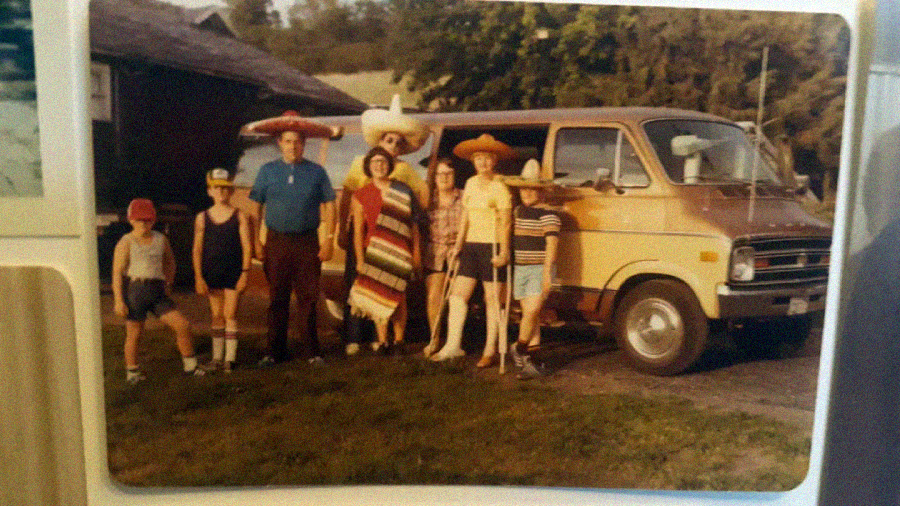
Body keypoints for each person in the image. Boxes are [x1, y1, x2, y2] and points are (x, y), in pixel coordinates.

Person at [336, 94, 430, 356]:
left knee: (392, 292)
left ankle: (388, 339)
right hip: (365, 235)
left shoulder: (405, 171)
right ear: (380, 140)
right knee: (359, 287)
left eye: (399, 143)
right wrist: (343, 228)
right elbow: (347, 197)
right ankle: (356, 336)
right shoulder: (358, 163)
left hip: (395, 239)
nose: (394, 147)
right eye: (390, 140)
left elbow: (422, 196)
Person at [246, 111, 336, 367]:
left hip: (307, 242)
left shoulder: (317, 172)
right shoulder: (267, 171)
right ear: (279, 143)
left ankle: (312, 352)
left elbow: (330, 204)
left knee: (307, 298)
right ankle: (274, 352)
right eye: (287, 141)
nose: (292, 146)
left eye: (297, 141)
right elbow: (255, 208)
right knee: (277, 298)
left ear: (304, 144)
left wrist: (328, 239)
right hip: (276, 241)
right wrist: (256, 241)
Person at [430, 134, 513, 367]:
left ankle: (490, 350)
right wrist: (459, 245)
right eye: (478, 159)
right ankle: (453, 346)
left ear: (495, 161)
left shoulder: (501, 186)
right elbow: (465, 216)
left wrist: (504, 252)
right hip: (471, 247)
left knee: (492, 299)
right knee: (457, 296)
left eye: (487, 158)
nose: (483, 163)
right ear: (473, 162)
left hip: (492, 246)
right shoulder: (470, 183)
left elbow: (506, 222)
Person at [111, 198, 205, 383]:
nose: (143, 224)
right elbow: (117, 272)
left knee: (182, 325)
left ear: (153, 220)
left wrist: (168, 283)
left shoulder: (161, 239)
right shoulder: (126, 241)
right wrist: (119, 300)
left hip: (157, 290)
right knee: (134, 334)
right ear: (131, 220)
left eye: (147, 219)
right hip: (136, 290)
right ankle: (132, 371)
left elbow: (170, 262)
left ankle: (190, 364)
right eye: (139, 220)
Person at [347, 146, 422, 354]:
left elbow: (414, 226)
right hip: (374, 251)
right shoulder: (360, 195)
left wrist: (416, 254)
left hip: (400, 250)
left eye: (383, 162)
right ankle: (382, 341)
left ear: (389, 165)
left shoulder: (403, 190)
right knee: (376, 297)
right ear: (368, 167)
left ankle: (398, 341)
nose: (379, 166)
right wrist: (360, 260)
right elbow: (358, 232)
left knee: (398, 297)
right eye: (375, 162)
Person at [191, 168, 252, 373]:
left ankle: (230, 359)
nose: (221, 192)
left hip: (233, 272)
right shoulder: (202, 217)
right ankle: (217, 357)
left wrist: (245, 272)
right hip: (211, 271)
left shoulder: (239, 215)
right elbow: (197, 249)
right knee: (216, 314)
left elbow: (247, 246)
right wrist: (199, 276)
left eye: (226, 189)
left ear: (232, 191)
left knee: (230, 313)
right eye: (216, 188)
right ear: (209, 191)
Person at [504, 160, 560, 379]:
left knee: (532, 312)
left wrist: (547, 275)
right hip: (521, 268)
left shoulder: (549, 215)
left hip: (539, 269)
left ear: (541, 191)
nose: (527, 192)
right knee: (531, 317)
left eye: (532, 188)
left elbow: (551, 247)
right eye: (523, 188)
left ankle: (518, 348)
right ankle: (532, 362)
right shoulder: (518, 211)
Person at [422, 158, 464, 357]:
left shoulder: (465, 197)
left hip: (459, 253)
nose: (444, 178)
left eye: (449, 174)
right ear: (434, 177)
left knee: (457, 299)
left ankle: (453, 342)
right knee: (434, 297)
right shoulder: (427, 199)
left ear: (454, 176)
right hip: (435, 254)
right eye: (440, 174)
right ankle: (434, 339)